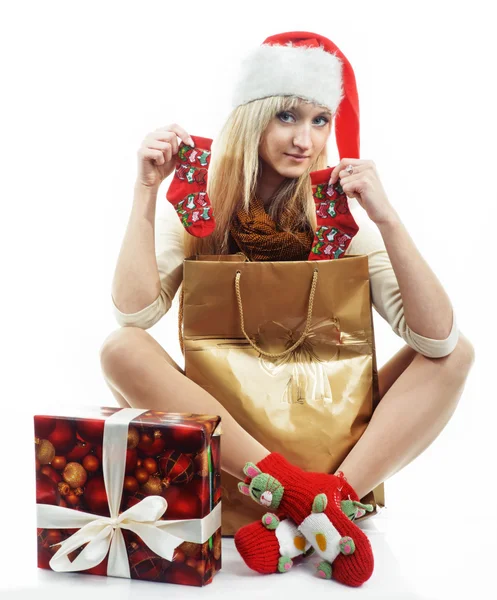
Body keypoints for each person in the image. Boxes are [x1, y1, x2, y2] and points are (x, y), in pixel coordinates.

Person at [99, 32, 475, 586]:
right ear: (252, 120)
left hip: (326, 438)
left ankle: (319, 505)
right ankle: (306, 500)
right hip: (231, 454)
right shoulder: (200, 206)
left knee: (457, 355)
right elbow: (134, 316)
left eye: (321, 120)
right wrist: (145, 192)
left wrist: (388, 219)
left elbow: (437, 339)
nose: (305, 139)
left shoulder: (337, 221)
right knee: (120, 349)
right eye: (287, 116)